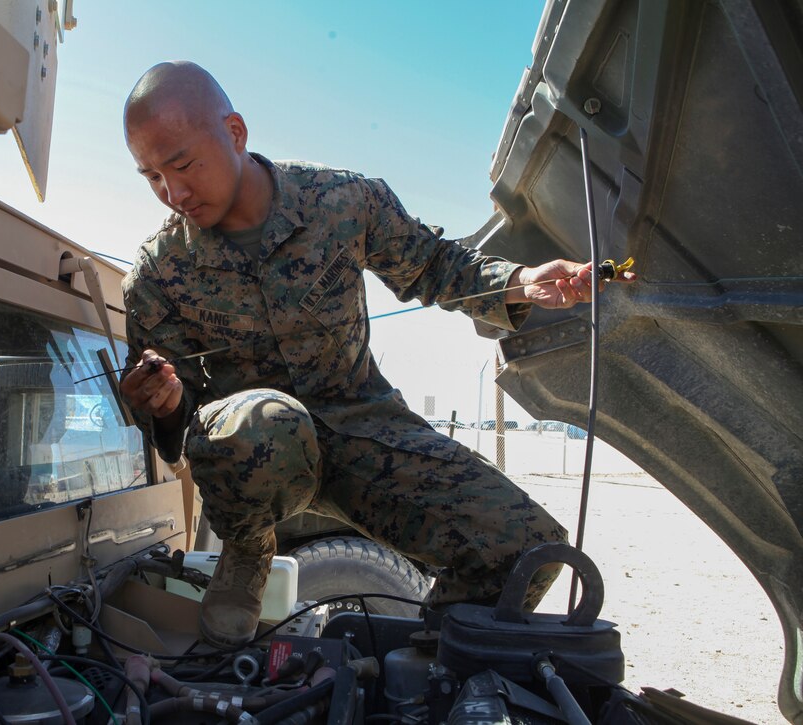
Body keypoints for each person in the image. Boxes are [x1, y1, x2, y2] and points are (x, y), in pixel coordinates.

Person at [118, 61, 634, 649]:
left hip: (366, 430)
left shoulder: (342, 201)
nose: (173, 192)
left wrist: (518, 281)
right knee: (264, 420)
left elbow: (436, 265)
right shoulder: (157, 274)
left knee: (527, 552)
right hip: (256, 458)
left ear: (235, 133)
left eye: (182, 165)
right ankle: (248, 553)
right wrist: (161, 400)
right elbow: (182, 420)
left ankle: (423, 664)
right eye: (152, 177)